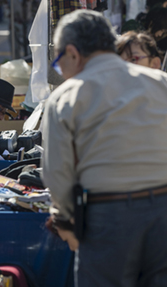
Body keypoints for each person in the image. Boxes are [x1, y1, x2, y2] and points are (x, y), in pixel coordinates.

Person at [42, 10, 167, 286]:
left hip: (109, 216)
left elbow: (57, 175)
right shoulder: (161, 82)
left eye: (59, 62)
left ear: (72, 53)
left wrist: (65, 221)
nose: (60, 71)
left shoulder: (67, 96)